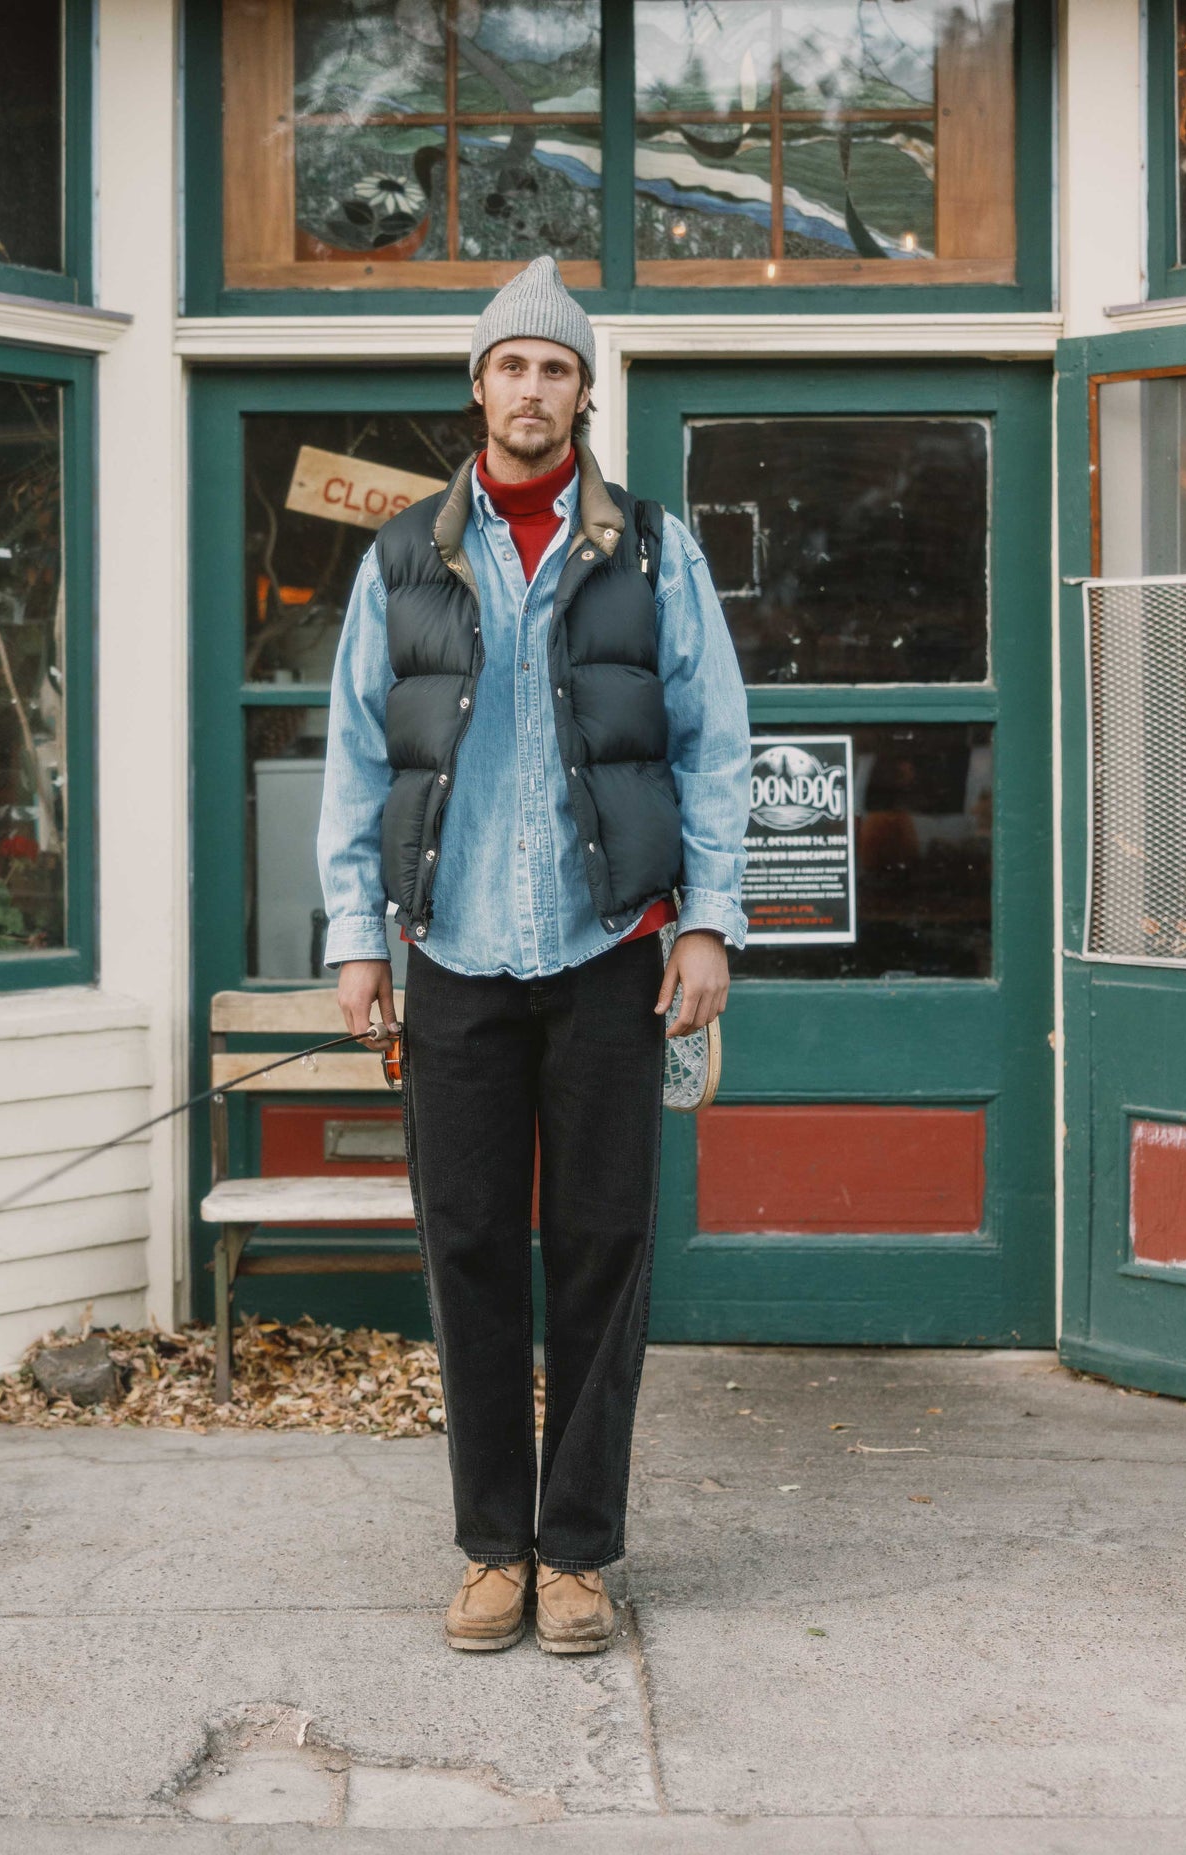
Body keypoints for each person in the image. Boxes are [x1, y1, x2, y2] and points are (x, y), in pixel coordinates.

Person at [317, 255, 751, 1655]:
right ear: (477, 386)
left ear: (584, 394)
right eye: (512, 364)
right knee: (468, 1250)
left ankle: (578, 1552)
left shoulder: (653, 550)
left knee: (605, 1250)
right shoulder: (399, 558)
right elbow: (351, 760)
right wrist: (353, 940)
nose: (533, 388)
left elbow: (715, 746)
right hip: (449, 951)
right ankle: (491, 1545)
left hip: (605, 945)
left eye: (556, 367)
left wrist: (705, 920)